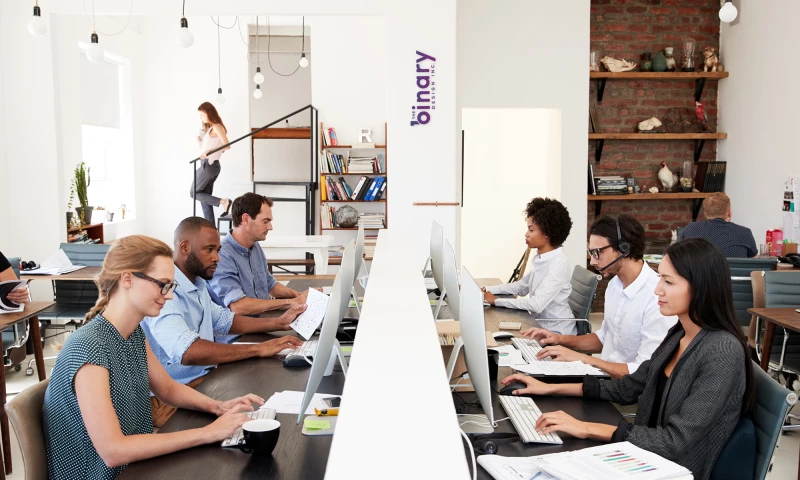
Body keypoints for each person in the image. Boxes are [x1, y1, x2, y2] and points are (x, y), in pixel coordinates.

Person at [501, 238, 756, 480]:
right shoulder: (680, 333)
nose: (657, 289)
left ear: (701, 287)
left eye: (668, 282)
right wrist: (549, 388)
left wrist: (585, 427)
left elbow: (674, 441)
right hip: (647, 458)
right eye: (660, 278)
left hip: (677, 470)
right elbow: (628, 387)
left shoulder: (722, 351)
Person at [43, 235, 262, 480]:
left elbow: (167, 388)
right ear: (127, 278)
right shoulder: (89, 347)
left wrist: (218, 406)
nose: (169, 296)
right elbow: (113, 451)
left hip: (136, 467)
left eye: (171, 286)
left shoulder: (133, 333)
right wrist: (208, 433)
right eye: (163, 285)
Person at [143, 217, 306, 427]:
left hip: (202, 378)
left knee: (266, 392)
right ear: (184, 247)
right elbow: (188, 352)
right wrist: (258, 349)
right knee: (258, 406)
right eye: (209, 250)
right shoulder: (166, 291)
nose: (217, 258)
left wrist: (279, 323)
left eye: (218, 250)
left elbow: (224, 320)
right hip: (169, 398)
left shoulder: (197, 283)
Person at [522, 215, 676, 377]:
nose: (593, 262)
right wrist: (559, 339)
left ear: (624, 248)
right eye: (591, 252)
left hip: (628, 388)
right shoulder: (614, 285)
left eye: (598, 252)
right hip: (604, 378)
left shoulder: (657, 298)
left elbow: (645, 372)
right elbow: (604, 338)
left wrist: (584, 360)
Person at [482, 198, 577, 335]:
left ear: (547, 234)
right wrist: (487, 289)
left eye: (531, 230)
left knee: (497, 335)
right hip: (538, 325)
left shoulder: (558, 264)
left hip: (556, 331)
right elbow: (521, 287)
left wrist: (496, 301)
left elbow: (536, 304)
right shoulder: (542, 258)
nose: (526, 234)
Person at [209, 193, 310, 314]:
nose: (270, 227)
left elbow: (269, 283)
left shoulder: (254, 246)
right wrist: (290, 302)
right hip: (245, 324)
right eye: (265, 221)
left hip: (263, 316)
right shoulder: (222, 255)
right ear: (246, 219)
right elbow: (238, 306)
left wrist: (298, 296)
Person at [190, 102, 232, 226]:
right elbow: (210, 147)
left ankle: (223, 201)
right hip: (209, 165)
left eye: (202, 115)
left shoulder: (217, 127)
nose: (201, 118)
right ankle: (211, 229)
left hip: (209, 165)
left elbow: (227, 146)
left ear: (209, 113)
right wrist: (201, 142)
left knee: (194, 193)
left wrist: (210, 150)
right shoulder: (211, 128)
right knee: (205, 199)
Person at [678, 192, 757, 258]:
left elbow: (678, 257)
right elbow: (754, 261)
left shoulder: (690, 229)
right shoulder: (745, 233)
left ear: (705, 213)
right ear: (729, 212)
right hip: (730, 273)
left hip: (698, 272)